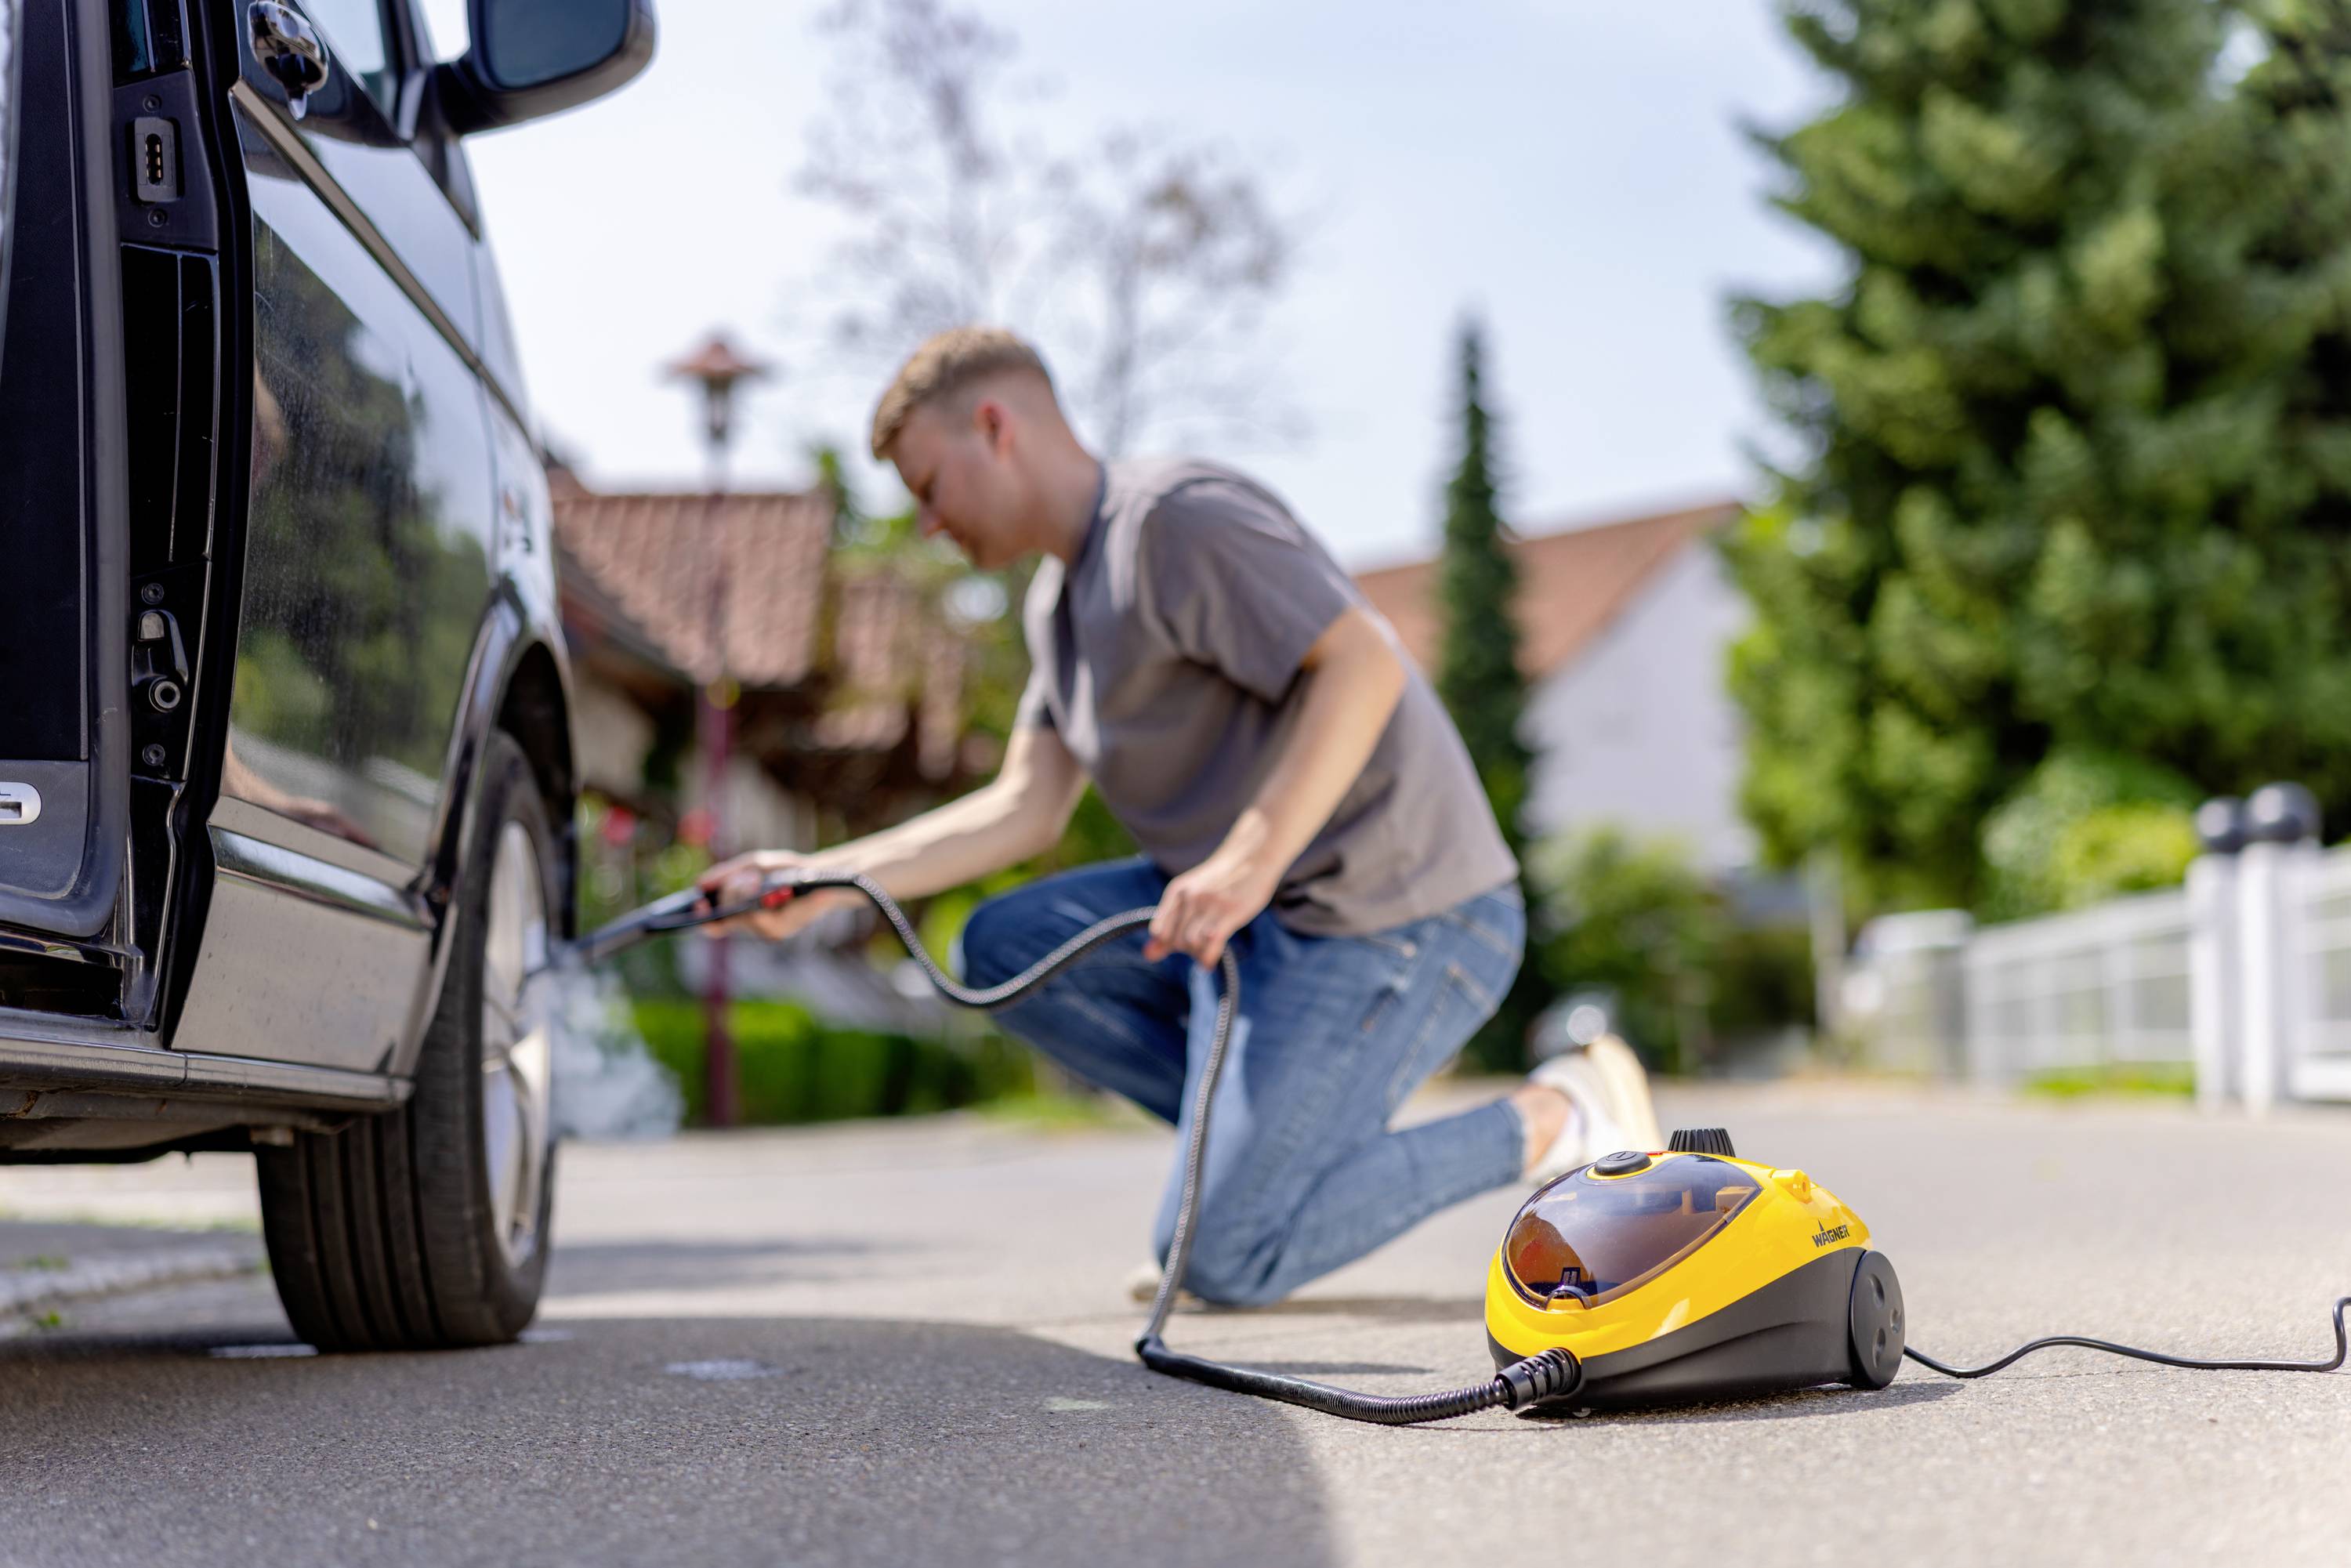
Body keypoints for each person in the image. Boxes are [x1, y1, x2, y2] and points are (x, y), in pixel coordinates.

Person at [702, 326, 1659, 1307]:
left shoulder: (1175, 522)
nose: (929, 526)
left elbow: (1365, 661)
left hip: (1400, 917)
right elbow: (1024, 808)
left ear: (994, 427)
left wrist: (1248, 857)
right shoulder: (1057, 608)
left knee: (1221, 1257)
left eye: (927, 488)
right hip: (1249, 926)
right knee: (1006, 944)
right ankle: (1275, 1160)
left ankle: (1555, 1114)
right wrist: (820, 884)